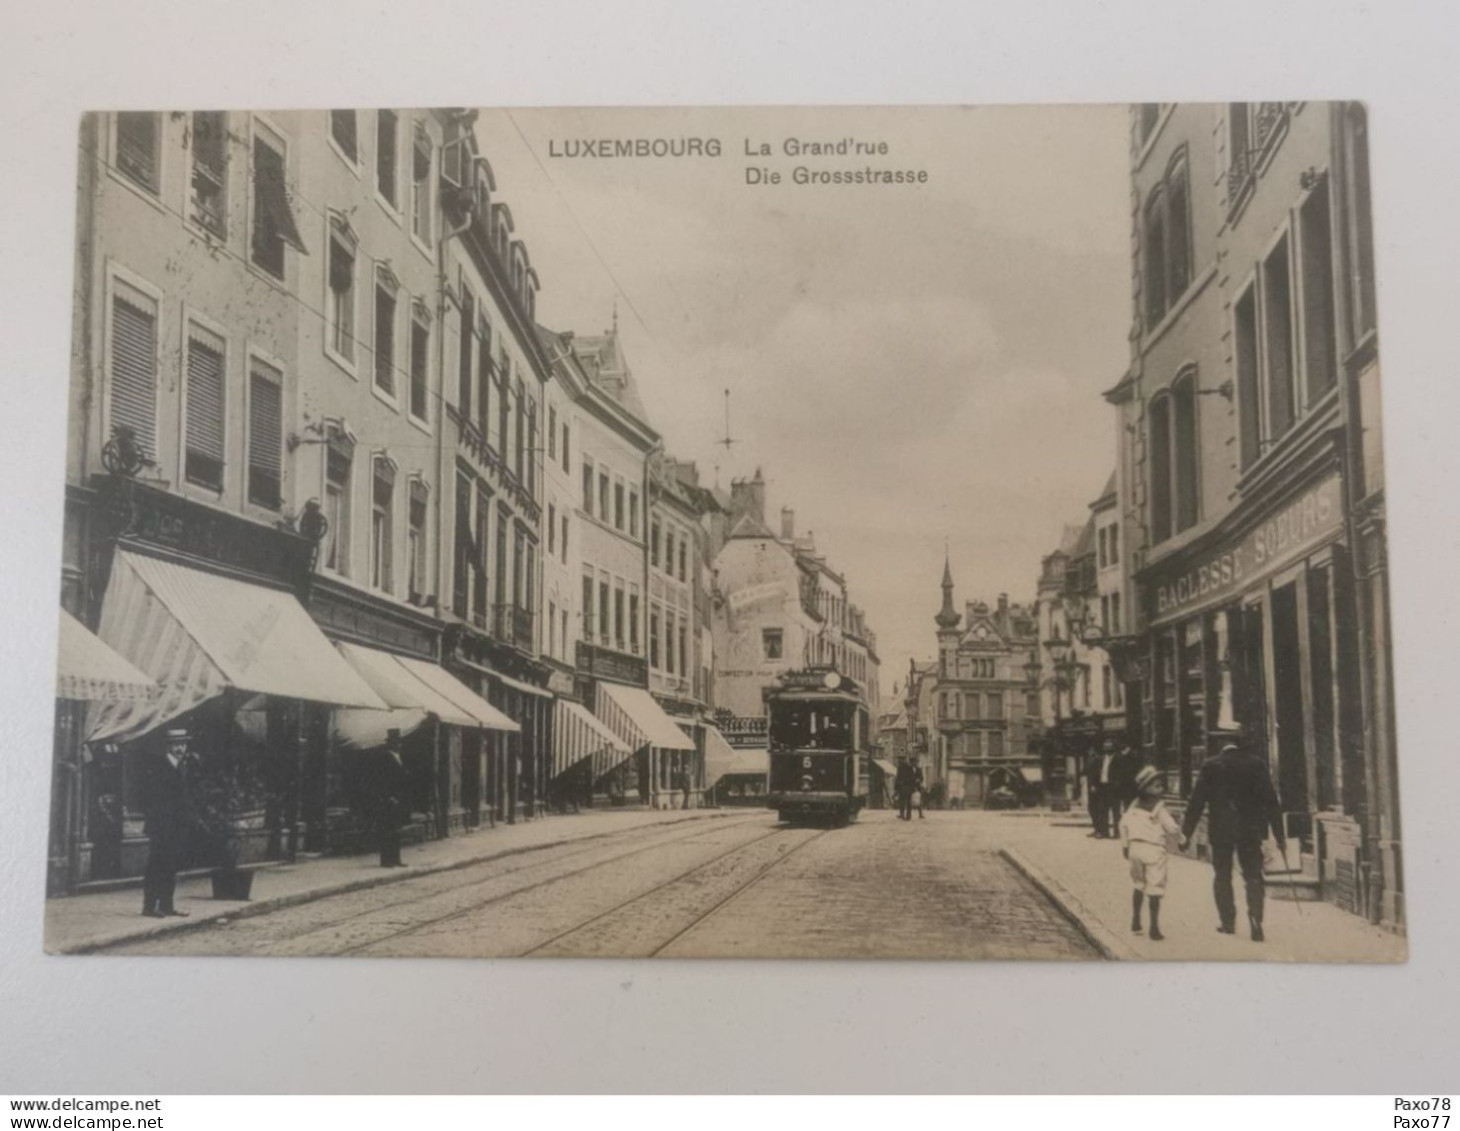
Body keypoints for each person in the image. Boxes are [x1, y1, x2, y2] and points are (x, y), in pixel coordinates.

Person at [1180, 740, 1286, 942]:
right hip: (1250, 829)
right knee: (1253, 875)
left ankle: (1227, 923)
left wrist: (1186, 834)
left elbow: (1196, 802)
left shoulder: (1211, 765)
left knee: (1222, 875)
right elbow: (1271, 802)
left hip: (1221, 830)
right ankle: (1256, 920)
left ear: (1222, 746)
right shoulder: (1256, 764)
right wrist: (1280, 836)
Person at [1120, 765, 1185, 941]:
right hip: (1154, 850)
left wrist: (1125, 846)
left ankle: (1135, 920)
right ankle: (1154, 927)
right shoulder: (1159, 808)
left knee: (1138, 884)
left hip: (1135, 848)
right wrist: (1182, 839)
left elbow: (1123, 826)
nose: (1161, 789)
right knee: (1155, 887)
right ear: (1146, 788)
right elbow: (1171, 827)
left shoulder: (1133, 806)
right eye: (1156, 786)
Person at [141, 728, 195, 918]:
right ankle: (149, 907)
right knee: (157, 866)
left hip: (175, 827)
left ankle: (167, 905)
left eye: (183, 744)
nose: (181, 748)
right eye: (177, 745)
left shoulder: (180, 766)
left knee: (170, 867)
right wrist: (162, 824)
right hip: (161, 827)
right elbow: (152, 800)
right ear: (168, 747)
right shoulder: (158, 767)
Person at [370, 728, 410, 868]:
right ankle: (386, 860)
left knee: (396, 830)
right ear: (390, 743)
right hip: (389, 799)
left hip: (398, 798)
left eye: (399, 742)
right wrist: (388, 796)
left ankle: (396, 858)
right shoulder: (384, 757)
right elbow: (381, 780)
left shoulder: (399, 757)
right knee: (387, 830)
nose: (399, 745)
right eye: (396, 742)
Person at [1085, 740, 1117, 837]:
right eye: (1105, 747)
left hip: (1113, 788)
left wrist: (1117, 785)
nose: (1107, 748)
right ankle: (1104, 832)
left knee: (1116, 811)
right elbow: (1095, 773)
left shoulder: (1118, 758)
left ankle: (1117, 832)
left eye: (1109, 746)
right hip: (1103, 787)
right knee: (1103, 810)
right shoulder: (1101, 759)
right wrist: (1094, 785)